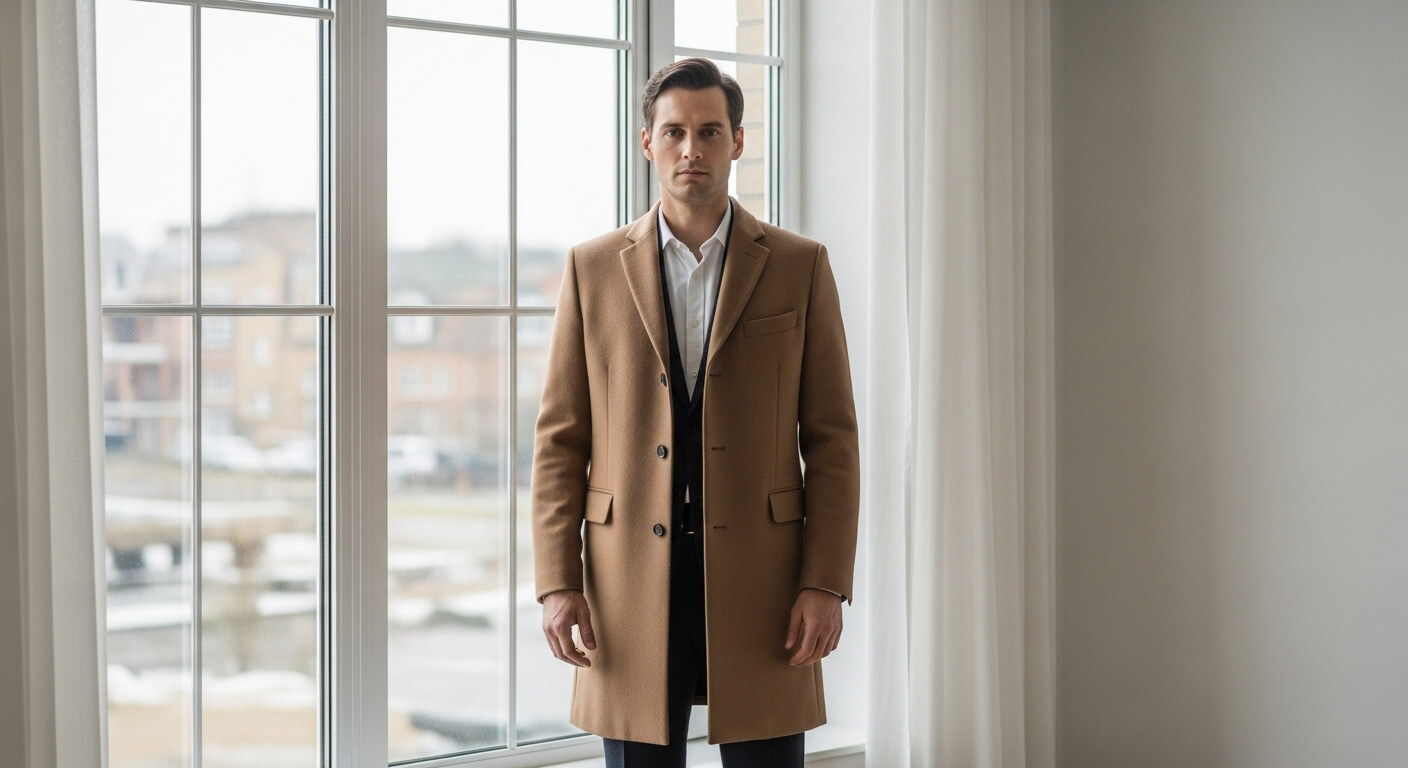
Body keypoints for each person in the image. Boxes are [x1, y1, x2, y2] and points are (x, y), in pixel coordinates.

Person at [531, 57, 859, 768]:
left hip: (764, 576)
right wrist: (558, 582)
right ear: (647, 142)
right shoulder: (592, 268)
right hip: (627, 577)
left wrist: (825, 582)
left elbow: (832, 439)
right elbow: (561, 440)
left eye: (710, 131)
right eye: (675, 132)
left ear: (737, 141)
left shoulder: (799, 265)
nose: (692, 149)